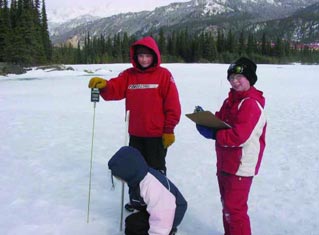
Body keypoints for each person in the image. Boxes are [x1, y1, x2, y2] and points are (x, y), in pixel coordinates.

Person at [88, 36, 181, 176]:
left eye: (148, 56)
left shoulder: (164, 75)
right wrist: (105, 86)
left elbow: (172, 105)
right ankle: (136, 198)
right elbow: (115, 88)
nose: (144, 60)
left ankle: (158, 198)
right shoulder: (129, 75)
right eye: (141, 56)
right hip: (135, 134)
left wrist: (169, 130)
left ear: (154, 56)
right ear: (135, 57)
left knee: (155, 172)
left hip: (156, 135)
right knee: (136, 171)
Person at [195, 57, 267, 235]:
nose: (235, 81)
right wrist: (205, 119)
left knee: (235, 211)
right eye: (231, 77)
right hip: (226, 163)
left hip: (240, 167)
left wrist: (214, 134)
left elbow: (239, 136)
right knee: (227, 208)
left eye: (239, 77)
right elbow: (220, 120)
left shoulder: (250, 104)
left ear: (249, 78)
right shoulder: (231, 101)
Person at [108, 146, 187, 235]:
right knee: (132, 224)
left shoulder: (152, 187)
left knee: (140, 227)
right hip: (157, 208)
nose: (120, 180)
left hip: (171, 212)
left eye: (120, 177)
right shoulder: (137, 177)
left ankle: (170, 231)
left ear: (128, 172)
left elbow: (162, 216)